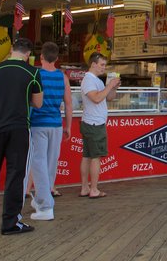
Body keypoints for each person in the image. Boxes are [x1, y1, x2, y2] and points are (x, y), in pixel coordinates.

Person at [0, 38, 43, 235]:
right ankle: (10, 222)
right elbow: (38, 103)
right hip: (19, 128)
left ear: (11, 50)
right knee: (15, 175)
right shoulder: (33, 72)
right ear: (28, 54)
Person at [26, 41, 72, 221]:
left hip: (38, 123)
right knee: (51, 163)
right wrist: (68, 126)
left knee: (38, 163)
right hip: (56, 124)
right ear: (57, 59)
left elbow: (29, 99)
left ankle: (45, 205)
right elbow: (68, 104)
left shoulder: (35, 74)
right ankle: (42, 198)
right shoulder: (63, 77)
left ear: (41, 57)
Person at [79, 53, 119, 197]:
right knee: (95, 157)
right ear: (93, 64)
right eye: (102, 65)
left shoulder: (96, 80)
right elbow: (96, 98)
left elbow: (109, 98)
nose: (104, 68)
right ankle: (94, 189)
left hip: (91, 122)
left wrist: (113, 87)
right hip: (94, 123)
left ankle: (85, 188)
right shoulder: (89, 80)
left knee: (87, 155)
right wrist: (109, 85)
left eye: (104, 65)